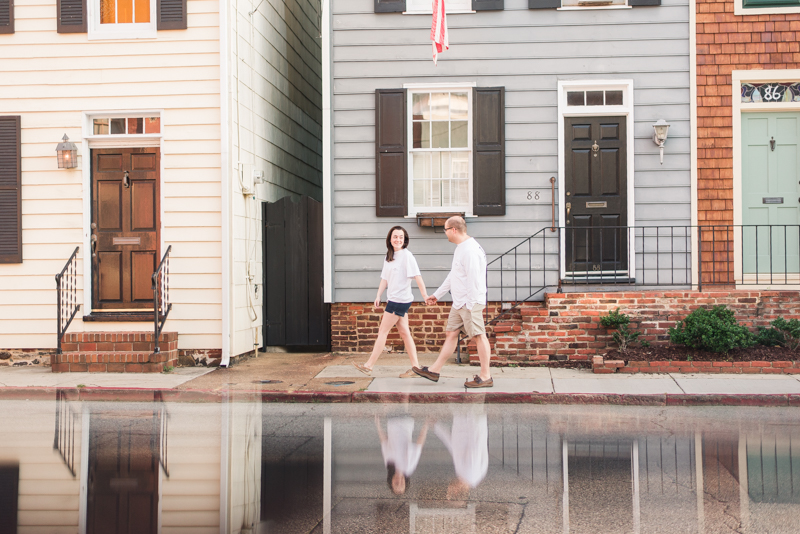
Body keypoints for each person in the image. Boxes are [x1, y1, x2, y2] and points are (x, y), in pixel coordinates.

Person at [413, 216, 493, 388]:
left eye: (446, 230)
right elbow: (454, 275)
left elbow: (474, 281)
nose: (445, 233)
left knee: (479, 336)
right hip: (459, 303)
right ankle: (434, 370)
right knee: (451, 333)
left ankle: (486, 376)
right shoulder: (461, 248)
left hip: (469, 303)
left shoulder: (470, 250)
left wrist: (471, 306)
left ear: (454, 230)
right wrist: (437, 295)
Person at [353, 226, 429, 378]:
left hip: (399, 301)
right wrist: (378, 296)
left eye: (401, 237)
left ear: (405, 240)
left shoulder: (407, 256)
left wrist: (425, 296)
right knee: (405, 333)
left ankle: (368, 365)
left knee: (383, 331)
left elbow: (418, 277)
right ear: (390, 239)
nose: (398, 240)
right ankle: (416, 368)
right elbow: (385, 278)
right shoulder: (389, 256)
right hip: (394, 299)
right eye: (395, 237)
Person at [434, 408, 489, 499]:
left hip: (465, 417)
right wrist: (470, 413)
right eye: (449, 490)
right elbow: (475, 443)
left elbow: (454, 448)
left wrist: (437, 427)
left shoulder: (465, 475)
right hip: (467, 415)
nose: (448, 487)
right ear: (455, 491)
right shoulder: (470, 473)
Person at [375, 415, 430, 495]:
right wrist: (426, 424)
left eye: (396, 484)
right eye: (402, 484)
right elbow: (419, 444)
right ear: (405, 481)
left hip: (391, 422)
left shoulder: (389, 464)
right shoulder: (409, 466)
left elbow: (384, 441)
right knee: (404, 402)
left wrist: (378, 425)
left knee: (391, 403)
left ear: (391, 482)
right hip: (406, 421)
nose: (399, 481)